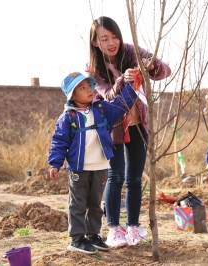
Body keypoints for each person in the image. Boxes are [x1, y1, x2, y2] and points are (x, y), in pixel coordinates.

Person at [87, 16, 171, 247]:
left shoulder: (130, 51)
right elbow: (108, 96)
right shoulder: (92, 69)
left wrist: (151, 65)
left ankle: (133, 227)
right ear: (95, 42)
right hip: (111, 127)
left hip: (138, 124)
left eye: (114, 36)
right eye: (104, 38)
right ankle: (114, 229)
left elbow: (165, 70)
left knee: (134, 179)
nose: (111, 42)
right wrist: (123, 80)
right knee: (116, 176)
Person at [48, 72, 138, 254]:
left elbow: (121, 105)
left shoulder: (101, 109)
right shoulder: (68, 117)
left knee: (96, 204)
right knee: (78, 204)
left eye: (89, 86)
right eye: (82, 88)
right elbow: (59, 141)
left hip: (101, 166)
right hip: (79, 168)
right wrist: (55, 163)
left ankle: (93, 235)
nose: (89, 90)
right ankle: (77, 238)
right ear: (73, 95)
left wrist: (133, 85)